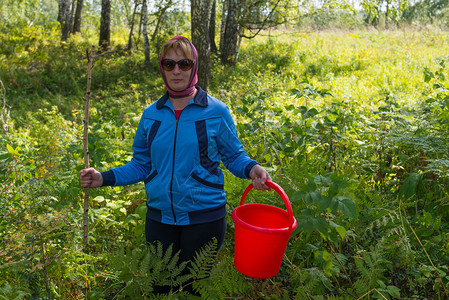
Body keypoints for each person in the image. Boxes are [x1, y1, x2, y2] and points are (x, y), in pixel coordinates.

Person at [79, 35, 271, 293]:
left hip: (204, 217)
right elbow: (141, 164)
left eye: (184, 63)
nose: (177, 70)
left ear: (195, 67)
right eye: (169, 64)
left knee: (193, 290)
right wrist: (104, 178)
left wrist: (252, 169)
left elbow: (234, 155)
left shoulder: (216, 111)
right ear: (162, 68)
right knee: (161, 288)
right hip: (159, 218)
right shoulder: (151, 115)